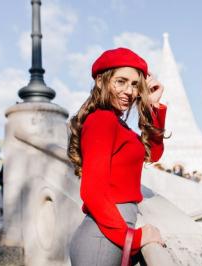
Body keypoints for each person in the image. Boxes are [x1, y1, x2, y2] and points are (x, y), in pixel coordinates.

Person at [68, 47, 167, 266]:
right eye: (121, 81)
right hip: (103, 237)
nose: (129, 91)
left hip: (109, 233)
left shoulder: (116, 122)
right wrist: (135, 238)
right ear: (101, 81)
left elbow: (154, 153)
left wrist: (153, 105)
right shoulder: (102, 120)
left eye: (134, 84)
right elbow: (92, 191)